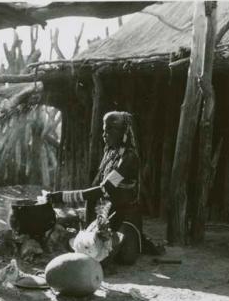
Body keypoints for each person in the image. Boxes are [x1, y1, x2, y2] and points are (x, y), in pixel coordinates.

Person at [47, 111, 164, 265]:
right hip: (108, 216)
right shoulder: (109, 155)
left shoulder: (129, 159)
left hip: (127, 217)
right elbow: (95, 188)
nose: (104, 135)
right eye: (104, 130)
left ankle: (135, 240)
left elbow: (103, 190)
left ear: (123, 132)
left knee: (122, 258)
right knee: (88, 249)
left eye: (109, 130)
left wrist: (62, 196)